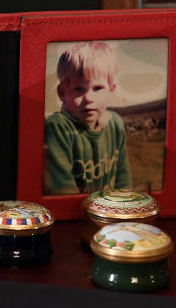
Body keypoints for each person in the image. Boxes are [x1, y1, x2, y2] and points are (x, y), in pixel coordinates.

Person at [43, 40, 131, 195]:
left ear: (111, 90)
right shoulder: (58, 127)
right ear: (63, 93)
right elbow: (62, 189)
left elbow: (123, 178)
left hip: (108, 213)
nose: (89, 98)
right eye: (79, 89)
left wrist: (120, 209)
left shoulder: (115, 123)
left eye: (97, 88)